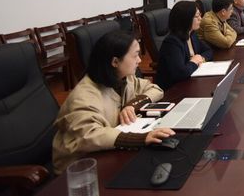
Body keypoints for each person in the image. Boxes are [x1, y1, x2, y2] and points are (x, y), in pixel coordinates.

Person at [52, 31, 174, 174]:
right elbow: (90, 135)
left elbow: (155, 89)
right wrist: (142, 138)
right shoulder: (83, 97)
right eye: (135, 55)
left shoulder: (124, 78)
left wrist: (132, 105)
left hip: (107, 153)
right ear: (115, 62)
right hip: (79, 170)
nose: (140, 60)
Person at [155, 1, 214, 90]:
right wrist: (194, 62)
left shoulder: (192, 34)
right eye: (197, 16)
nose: (200, 19)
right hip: (174, 90)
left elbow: (209, 51)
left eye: (200, 15)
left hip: (190, 81)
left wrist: (200, 58)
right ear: (186, 19)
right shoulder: (172, 42)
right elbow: (180, 73)